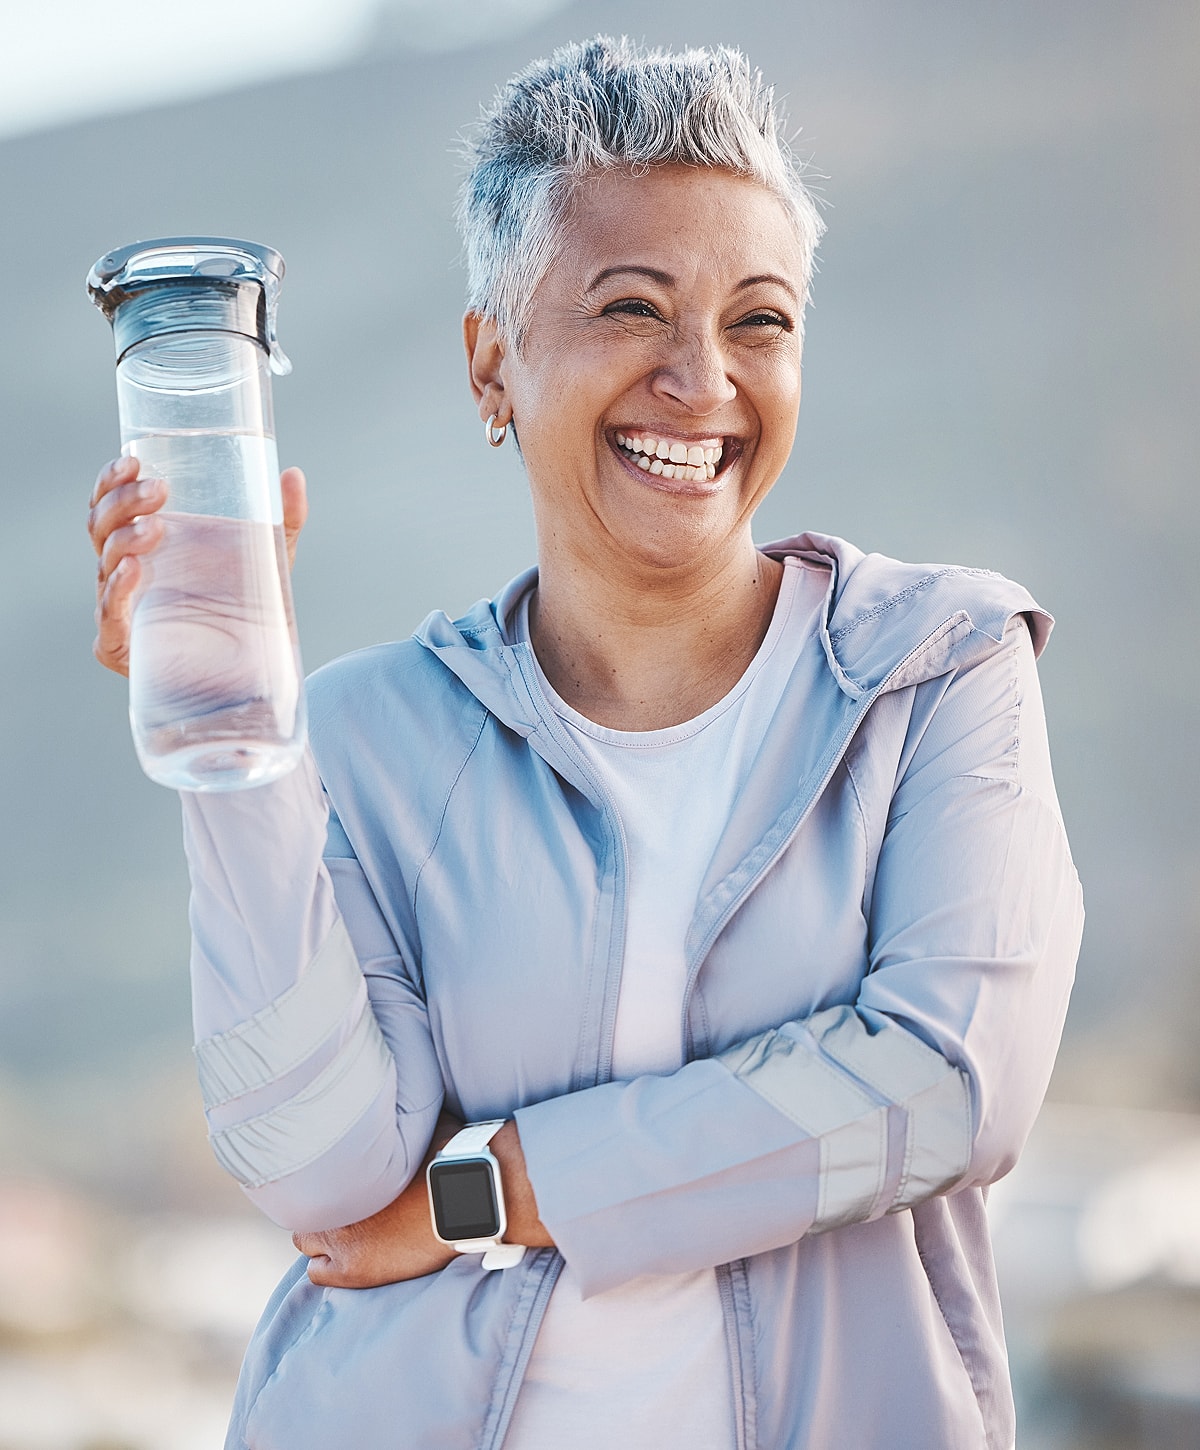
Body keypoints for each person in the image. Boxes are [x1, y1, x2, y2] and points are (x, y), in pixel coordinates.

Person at [87, 36, 1083, 1450]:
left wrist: (492, 1187)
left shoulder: (935, 671)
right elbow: (319, 1164)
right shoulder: (365, 731)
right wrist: (239, 722)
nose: (702, 378)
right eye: (633, 306)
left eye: (760, 320)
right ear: (493, 357)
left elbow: (942, 1085)